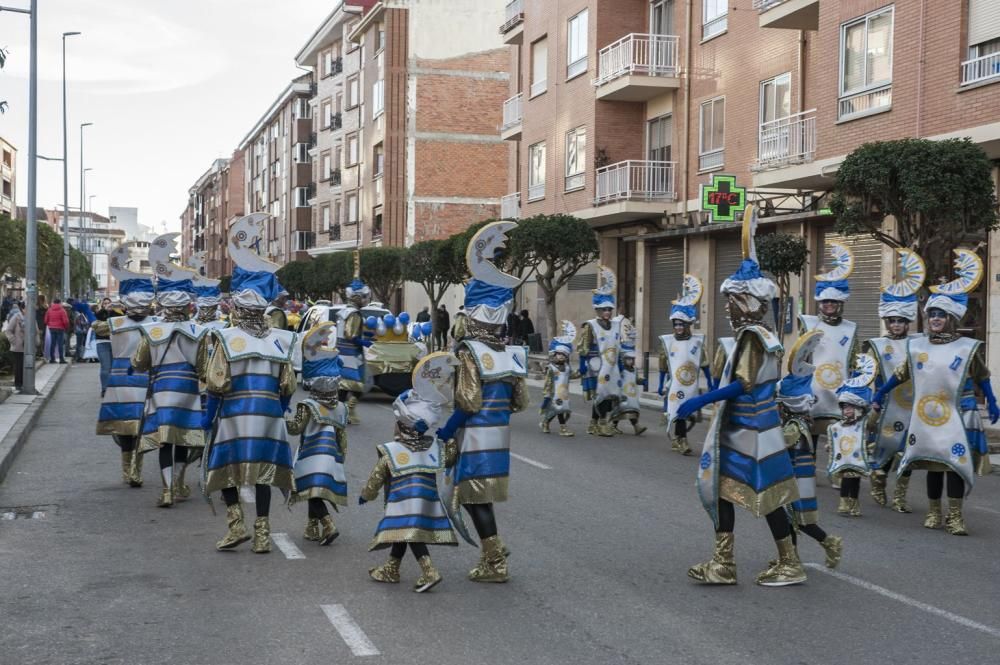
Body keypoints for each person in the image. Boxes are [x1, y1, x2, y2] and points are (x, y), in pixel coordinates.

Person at [678, 207, 804, 587]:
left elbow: (743, 384)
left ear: (747, 302)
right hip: (755, 426)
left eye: (733, 300)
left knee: (758, 495)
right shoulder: (760, 335)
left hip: (749, 427)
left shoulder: (752, 337)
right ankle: (728, 562)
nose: (728, 307)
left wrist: (698, 401)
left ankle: (776, 563)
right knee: (746, 494)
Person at [873, 249, 999, 536]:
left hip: (958, 415)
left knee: (953, 465)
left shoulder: (967, 347)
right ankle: (933, 512)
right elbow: (902, 374)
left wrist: (991, 400)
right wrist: (881, 392)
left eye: (941, 315)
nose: (935, 319)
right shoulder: (917, 346)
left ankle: (955, 516)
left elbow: (982, 375)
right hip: (926, 417)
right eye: (932, 314)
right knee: (932, 465)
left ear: (951, 318)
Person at [436, 221, 528, 583]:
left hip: (474, 437)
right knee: (480, 497)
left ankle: (494, 558)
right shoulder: (510, 353)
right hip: (499, 437)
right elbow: (519, 401)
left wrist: (446, 432)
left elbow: (468, 402)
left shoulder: (471, 352)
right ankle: (494, 549)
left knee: (474, 497)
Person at [201, 214, 298, 553]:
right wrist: (278, 410)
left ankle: (236, 525)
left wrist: (207, 417)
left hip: (235, 415)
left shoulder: (225, 338)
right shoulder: (282, 340)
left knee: (226, 469)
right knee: (263, 474)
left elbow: (216, 384)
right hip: (270, 417)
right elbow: (287, 386)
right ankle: (262, 534)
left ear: (237, 306)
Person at [360, 354, 459, 592]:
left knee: (410, 533)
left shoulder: (392, 451)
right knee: (403, 531)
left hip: (404, 502)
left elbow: (377, 475)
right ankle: (391, 567)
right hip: (427, 502)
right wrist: (453, 438)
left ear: (404, 425)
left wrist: (366, 494)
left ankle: (429, 571)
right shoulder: (434, 447)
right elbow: (451, 458)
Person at [132, 273, 205, 509]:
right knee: (183, 437)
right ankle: (179, 482)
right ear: (187, 303)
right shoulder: (199, 331)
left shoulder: (151, 331)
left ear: (162, 302)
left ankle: (166, 491)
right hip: (188, 389)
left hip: (162, 389)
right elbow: (204, 367)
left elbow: (138, 362)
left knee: (164, 440)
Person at [776, 329, 843, 569]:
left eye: (781, 405)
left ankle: (829, 542)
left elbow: (783, 447)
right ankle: (791, 555)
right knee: (789, 518)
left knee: (796, 519)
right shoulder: (798, 422)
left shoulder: (794, 427)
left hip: (796, 481)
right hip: (794, 479)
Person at [865, 249, 924, 512]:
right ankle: (878, 482)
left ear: (908, 321)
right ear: (886, 321)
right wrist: (870, 402)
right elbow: (866, 375)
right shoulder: (875, 345)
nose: (897, 325)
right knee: (884, 451)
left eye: (901, 320)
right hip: (886, 407)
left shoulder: (919, 343)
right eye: (893, 320)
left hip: (913, 408)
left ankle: (900, 495)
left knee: (907, 453)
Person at [96, 245, 158, 488]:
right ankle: (128, 470)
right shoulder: (115, 323)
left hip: (145, 382)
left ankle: (135, 470)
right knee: (126, 430)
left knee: (141, 429)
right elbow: (97, 327)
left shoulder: (157, 323)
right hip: (123, 382)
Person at [286, 323, 348, 546]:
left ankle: (328, 524)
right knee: (317, 491)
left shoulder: (308, 405)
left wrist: (280, 420)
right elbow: (342, 439)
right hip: (331, 458)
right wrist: (341, 459)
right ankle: (312, 527)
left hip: (311, 456)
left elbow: (296, 428)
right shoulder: (341, 408)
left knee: (312, 491)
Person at [799, 241, 860, 455]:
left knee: (840, 434)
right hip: (813, 391)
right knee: (809, 436)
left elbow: (855, 362)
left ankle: (838, 470)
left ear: (840, 303)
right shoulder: (808, 325)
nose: (829, 305)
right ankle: (808, 469)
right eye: (825, 302)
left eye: (833, 302)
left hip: (840, 392)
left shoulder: (851, 329)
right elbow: (799, 360)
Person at [658, 275, 711, 455]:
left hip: (692, 386)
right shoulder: (667, 341)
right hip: (674, 387)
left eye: (681, 324)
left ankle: (678, 437)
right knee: (679, 413)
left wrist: (711, 383)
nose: (678, 327)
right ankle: (682, 440)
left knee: (689, 415)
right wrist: (659, 384)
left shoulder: (697, 342)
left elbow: (704, 364)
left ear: (688, 324)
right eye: (676, 324)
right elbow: (664, 365)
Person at [577, 266, 626, 437]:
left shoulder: (616, 326)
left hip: (612, 367)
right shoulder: (591, 325)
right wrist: (583, 364)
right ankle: (602, 422)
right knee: (602, 394)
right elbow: (584, 346)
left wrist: (620, 365)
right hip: (597, 366)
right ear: (597, 310)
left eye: (609, 309)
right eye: (604, 309)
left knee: (610, 395)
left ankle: (593, 423)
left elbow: (618, 348)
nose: (607, 312)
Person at [827, 355, 876, 517]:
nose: (847, 411)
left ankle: (854, 503)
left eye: (851, 408)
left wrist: (876, 409)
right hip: (843, 458)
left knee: (855, 480)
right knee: (846, 479)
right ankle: (843, 502)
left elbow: (872, 423)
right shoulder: (838, 426)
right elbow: (834, 439)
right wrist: (830, 446)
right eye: (845, 408)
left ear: (858, 409)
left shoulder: (862, 424)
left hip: (856, 459)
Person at [336, 252, 370, 425]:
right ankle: (348, 411)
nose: (366, 300)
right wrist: (364, 342)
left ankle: (341, 412)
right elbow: (351, 334)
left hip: (341, 353)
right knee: (358, 386)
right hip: (351, 355)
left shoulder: (343, 311)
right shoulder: (354, 314)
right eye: (364, 297)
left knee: (343, 387)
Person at [539, 321, 578, 436]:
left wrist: (582, 372)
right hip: (553, 395)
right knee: (558, 410)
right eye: (559, 354)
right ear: (554, 354)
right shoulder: (551, 368)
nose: (561, 356)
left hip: (564, 394)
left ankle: (546, 422)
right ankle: (563, 428)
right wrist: (547, 394)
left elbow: (571, 375)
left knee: (556, 411)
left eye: (563, 354)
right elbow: (548, 382)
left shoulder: (566, 367)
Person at [612, 332, 647, 435]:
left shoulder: (634, 370)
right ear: (624, 359)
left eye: (632, 359)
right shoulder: (621, 370)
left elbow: (635, 380)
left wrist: (641, 381)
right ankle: (614, 426)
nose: (631, 361)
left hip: (632, 396)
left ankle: (636, 427)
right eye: (628, 359)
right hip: (622, 395)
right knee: (619, 411)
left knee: (632, 411)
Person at [93, 298, 117, 395]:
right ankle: (104, 389)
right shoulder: (100, 313)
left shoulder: (115, 312)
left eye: (109, 303)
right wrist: (105, 309)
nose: (107, 305)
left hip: (115, 343)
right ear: (102, 305)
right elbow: (98, 316)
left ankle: (112, 388)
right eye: (105, 303)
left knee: (113, 367)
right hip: (102, 342)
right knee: (105, 367)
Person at [4, 301, 25, 392]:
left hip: (28, 347)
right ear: (23, 308)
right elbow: (8, 330)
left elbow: (35, 332)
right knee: (19, 366)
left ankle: (25, 383)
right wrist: (14, 341)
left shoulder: (31, 318)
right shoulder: (16, 317)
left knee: (27, 366)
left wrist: (36, 341)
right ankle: (18, 384)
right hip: (18, 346)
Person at [44, 297, 70, 364]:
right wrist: (66, 327)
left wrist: (49, 325)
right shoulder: (62, 310)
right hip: (60, 328)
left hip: (51, 328)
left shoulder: (49, 310)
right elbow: (66, 321)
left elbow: (45, 320)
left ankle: (52, 358)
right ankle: (61, 359)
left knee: (52, 343)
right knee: (60, 344)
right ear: (60, 303)